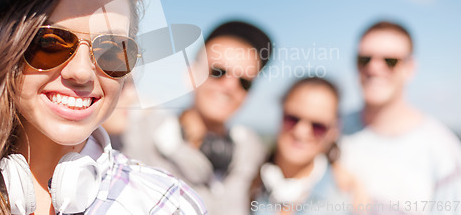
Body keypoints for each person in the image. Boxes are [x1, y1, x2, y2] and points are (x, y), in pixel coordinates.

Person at [0, 0, 206, 215]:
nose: (81, 73)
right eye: (49, 43)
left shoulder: (167, 205)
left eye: (113, 50)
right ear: (2, 51)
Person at [124, 20, 272, 215]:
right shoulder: (138, 134)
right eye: (218, 72)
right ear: (192, 73)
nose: (230, 86)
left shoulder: (252, 153)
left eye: (245, 82)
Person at [340, 20, 461, 214]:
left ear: (410, 68)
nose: (374, 68)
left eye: (390, 61)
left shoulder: (444, 154)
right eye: (365, 59)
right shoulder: (326, 130)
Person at [250, 77, 363, 215]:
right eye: (293, 119)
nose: (301, 132)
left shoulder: (346, 199)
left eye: (317, 126)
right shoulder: (246, 175)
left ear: (333, 131)